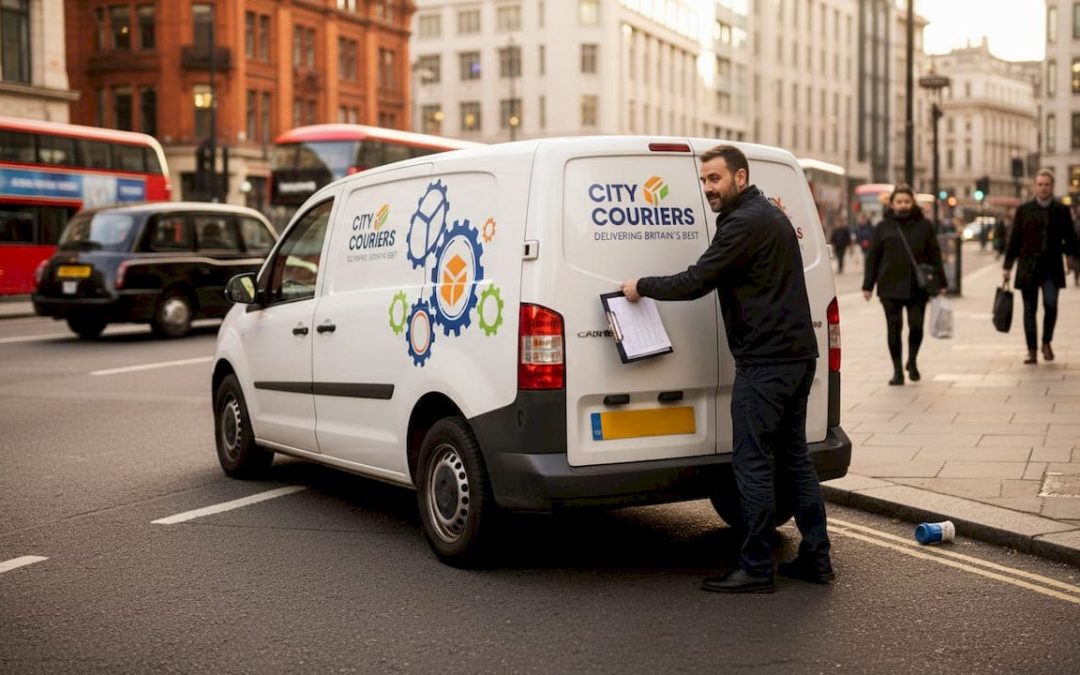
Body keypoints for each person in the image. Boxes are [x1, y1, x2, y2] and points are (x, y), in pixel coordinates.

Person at [619, 144, 832, 594]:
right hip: (797, 357)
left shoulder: (743, 223)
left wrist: (641, 286)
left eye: (714, 179)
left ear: (740, 177)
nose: (708, 188)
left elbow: (696, 281)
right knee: (795, 459)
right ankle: (816, 557)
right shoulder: (768, 215)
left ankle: (756, 567)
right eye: (704, 180)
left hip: (765, 363)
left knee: (752, 463)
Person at [861, 184, 947, 386]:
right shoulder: (883, 227)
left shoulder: (925, 225)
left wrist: (942, 282)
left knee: (916, 326)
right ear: (892, 204)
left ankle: (913, 361)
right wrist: (868, 285)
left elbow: (935, 254)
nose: (903, 205)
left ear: (913, 202)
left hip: (918, 287)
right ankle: (897, 370)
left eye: (907, 201)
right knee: (894, 329)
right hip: (889, 286)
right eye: (899, 202)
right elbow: (873, 258)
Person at [1003, 169, 1080, 364]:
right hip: (1028, 267)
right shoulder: (1024, 210)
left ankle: (1046, 341)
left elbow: (1071, 237)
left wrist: (1070, 256)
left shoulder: (1061, 210)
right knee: (1029, 310)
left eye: (1047, 184)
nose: (1043, 188)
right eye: (1040, 184)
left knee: (1051, 305)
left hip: (1052, 268)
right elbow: (1014, 240)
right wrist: (1007, 266)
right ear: (1034, 186)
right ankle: (1032, 350)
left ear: (1052, 186)